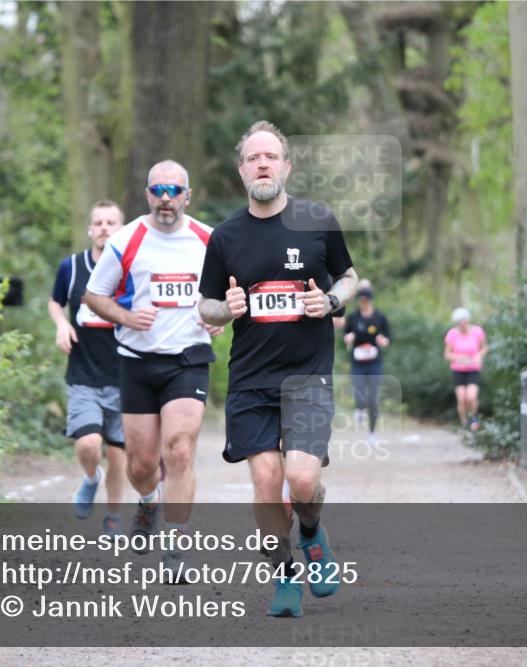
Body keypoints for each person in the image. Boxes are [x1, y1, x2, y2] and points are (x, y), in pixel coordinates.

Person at [198, 120, 358, 618]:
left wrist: (331, 300)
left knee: (303, 481)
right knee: (267, 481)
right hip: (250, 380)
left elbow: (350, 277)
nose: (262, 164)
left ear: (287, 167)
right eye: (253, 158)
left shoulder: (317, 221)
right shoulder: (225, 236)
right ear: (242, 170)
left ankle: (311, 533)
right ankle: (285, 576)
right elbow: (204, 309)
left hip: (308, 376)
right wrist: (227, 308)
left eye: (271, 156)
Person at [83, 161, 221, 571]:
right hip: (138, 361)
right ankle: (148, 500)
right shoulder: (126, 240)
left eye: (174, 191)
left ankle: (176, 547)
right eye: (158, 190)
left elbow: (230, 296)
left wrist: (218, 316)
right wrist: (125, 317)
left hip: (188, 359)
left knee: (180, 449)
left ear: (187, 196)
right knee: (141, 466)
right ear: (147, 194)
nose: (166, 199)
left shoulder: (208, 240)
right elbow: (94, 296)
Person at [47, 200, 128, 535]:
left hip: (125, 374)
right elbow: (55, 301)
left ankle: (113, 514)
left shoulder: (132, 268)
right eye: (99, 222)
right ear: (90, 229)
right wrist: (61, 324)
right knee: (88, 444)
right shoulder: (72, 267)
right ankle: (91, 478)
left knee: (119, 452)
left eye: (111, 222)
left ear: (122, 229)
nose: (105, 228)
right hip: (83, 374)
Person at [343, 279, 391, 440]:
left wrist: (383, 341)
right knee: (359, 393)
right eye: (361, 300)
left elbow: (388, 338)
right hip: (357, 363)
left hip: (374, 363)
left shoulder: (380, 317)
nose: (363, 302)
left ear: (370, 299)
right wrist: (348, 338)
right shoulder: (353, 317)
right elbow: (345, 336)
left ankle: (372, 432)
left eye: (366, 299)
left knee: (373, 398)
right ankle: (359, 408)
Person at [444, 307, 487, 431]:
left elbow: (484, 348)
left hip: (473, 368)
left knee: (471, 396)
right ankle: (464, 422)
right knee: (462, 398)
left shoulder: (477, 331)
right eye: (458, 322)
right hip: (458, 369)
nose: (461, 324)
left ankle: (474, 419)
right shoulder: (452, 334)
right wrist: (458, 357)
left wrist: (479, 355)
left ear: (467, 320)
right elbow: (447, 354)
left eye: (463, 321)